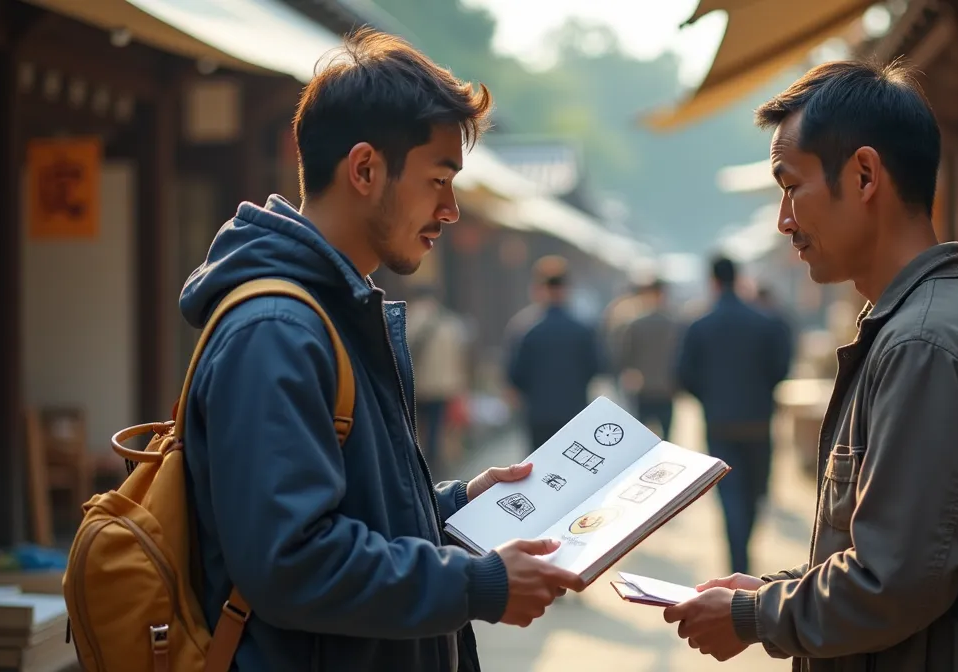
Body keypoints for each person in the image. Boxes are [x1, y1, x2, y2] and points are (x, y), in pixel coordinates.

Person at [177, 30, 583, 672]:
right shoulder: (278, 329)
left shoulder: (336, 310)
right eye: (437, 180)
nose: (450, 210)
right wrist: (478, 583)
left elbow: (350, 509)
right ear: (365, 169)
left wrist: (453, 504)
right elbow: (290, 560)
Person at [664, 60, 958, 671]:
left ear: (865, 175)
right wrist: (766, 595)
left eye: (791, 187)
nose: (784, 220)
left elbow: (892, 582)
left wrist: (755, 616)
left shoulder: (924, 344)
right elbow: (888, 555)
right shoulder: (922, 328)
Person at [676, 255, 792, 577]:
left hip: (720, 422)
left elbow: (684, 374)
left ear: (712, 281)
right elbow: (781, 369)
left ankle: (737, 559)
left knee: (730, 496)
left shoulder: (700, 325)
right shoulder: (766, 322)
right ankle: (743, 554)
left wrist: (709, 399)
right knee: (754, 492)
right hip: (758, 421)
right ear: (738, 278)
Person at [505, 256, 603, 450]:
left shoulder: (525, 328)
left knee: (540, 470)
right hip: (574, 410)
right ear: (567, 289)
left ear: (539, 289)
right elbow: (596, 367)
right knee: (575, 464)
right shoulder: (582, 328)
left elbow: (515, 375)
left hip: (538, 413)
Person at [406, 283, 470, 477]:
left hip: (417, 385)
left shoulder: (408, 319)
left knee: (415, 428)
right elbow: (459, 355)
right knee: (435, 428)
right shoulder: (449, 321)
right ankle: (433, 466)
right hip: (443, 386)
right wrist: (460, 384)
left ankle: (416, 464)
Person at [617, 278, 682, 438]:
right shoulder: (674, 324)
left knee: (642, 439)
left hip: (643, 389)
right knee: (667, 438)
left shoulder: (635, 324)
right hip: (666, 389)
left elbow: (624, 358)